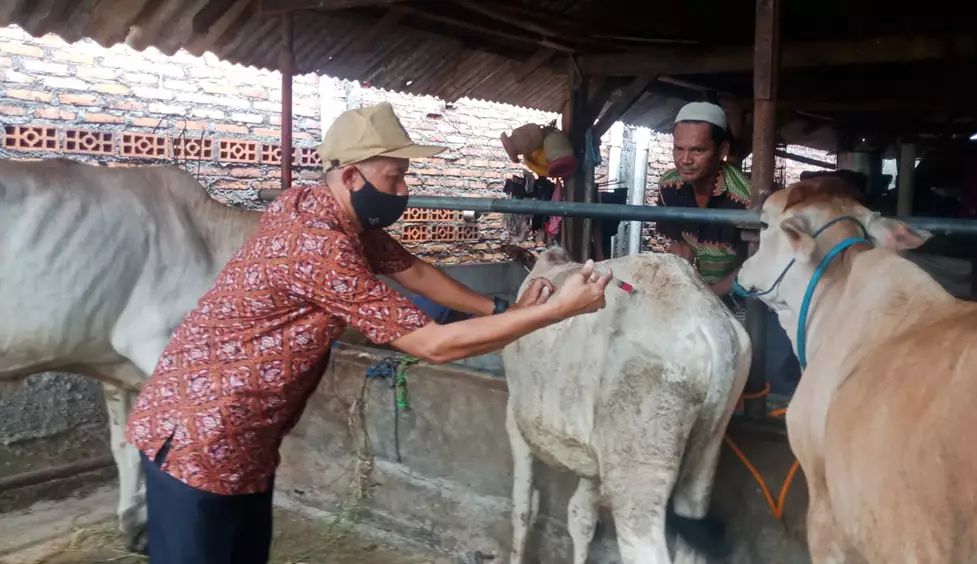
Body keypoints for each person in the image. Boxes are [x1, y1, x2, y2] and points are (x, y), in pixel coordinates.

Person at [124, 102, 612, 564]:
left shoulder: (323, 208)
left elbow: (411, 269)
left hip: (245, 442)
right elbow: (431, 345)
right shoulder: (317, 245)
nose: (403, 190)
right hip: (199, 439)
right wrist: (554, 314)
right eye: (394, 176)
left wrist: (500, 306)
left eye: (404, 175)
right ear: (352, 175)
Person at [655, 101, 751, 303]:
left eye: (697, 150)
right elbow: (677, 244)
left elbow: (755, 265)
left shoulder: (746, 199)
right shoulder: (669, 186)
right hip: (688, 294)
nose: (685, 160)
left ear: (722, 150)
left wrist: (708, 297)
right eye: (679, 149)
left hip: (736, 302)